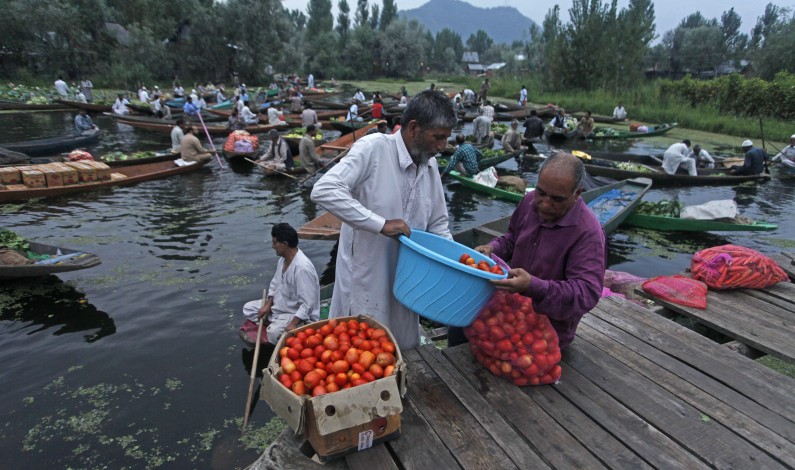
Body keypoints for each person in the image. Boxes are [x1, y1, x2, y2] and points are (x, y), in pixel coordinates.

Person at [310, 90, 458, 350]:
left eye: (445, 138)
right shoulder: (374, 149)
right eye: (438, 137)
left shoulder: (430, 166)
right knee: (361, 352)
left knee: (402, 350)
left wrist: (457, 264)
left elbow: (438, 225)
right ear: (413, 128)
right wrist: (381, 224)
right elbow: (324, 190)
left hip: (407, 282)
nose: (442, 147)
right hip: (367, 279)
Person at [451, 152, 606, 350]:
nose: (545, 203)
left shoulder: (588, 233)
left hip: (546, 331)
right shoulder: (529, 201)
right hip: (509, 310)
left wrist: (533, 286)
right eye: (541, 192)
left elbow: (586, 293)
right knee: (459, 323)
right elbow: (512, 238)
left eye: (557, 199)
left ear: (578, 193)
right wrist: (492, 248)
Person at [240, 223, 320, 344]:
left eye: (275, 243)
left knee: (273, 334)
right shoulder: (282, 260)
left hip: (294, 313)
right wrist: (268, 304)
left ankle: (286, 325)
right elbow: (274, 284)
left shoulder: (302, 268)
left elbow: (307, 305)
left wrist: (292, 324)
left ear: (285, 244)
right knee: (248, 308)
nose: (273, 246)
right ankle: (276, 321)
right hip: (280, 306)